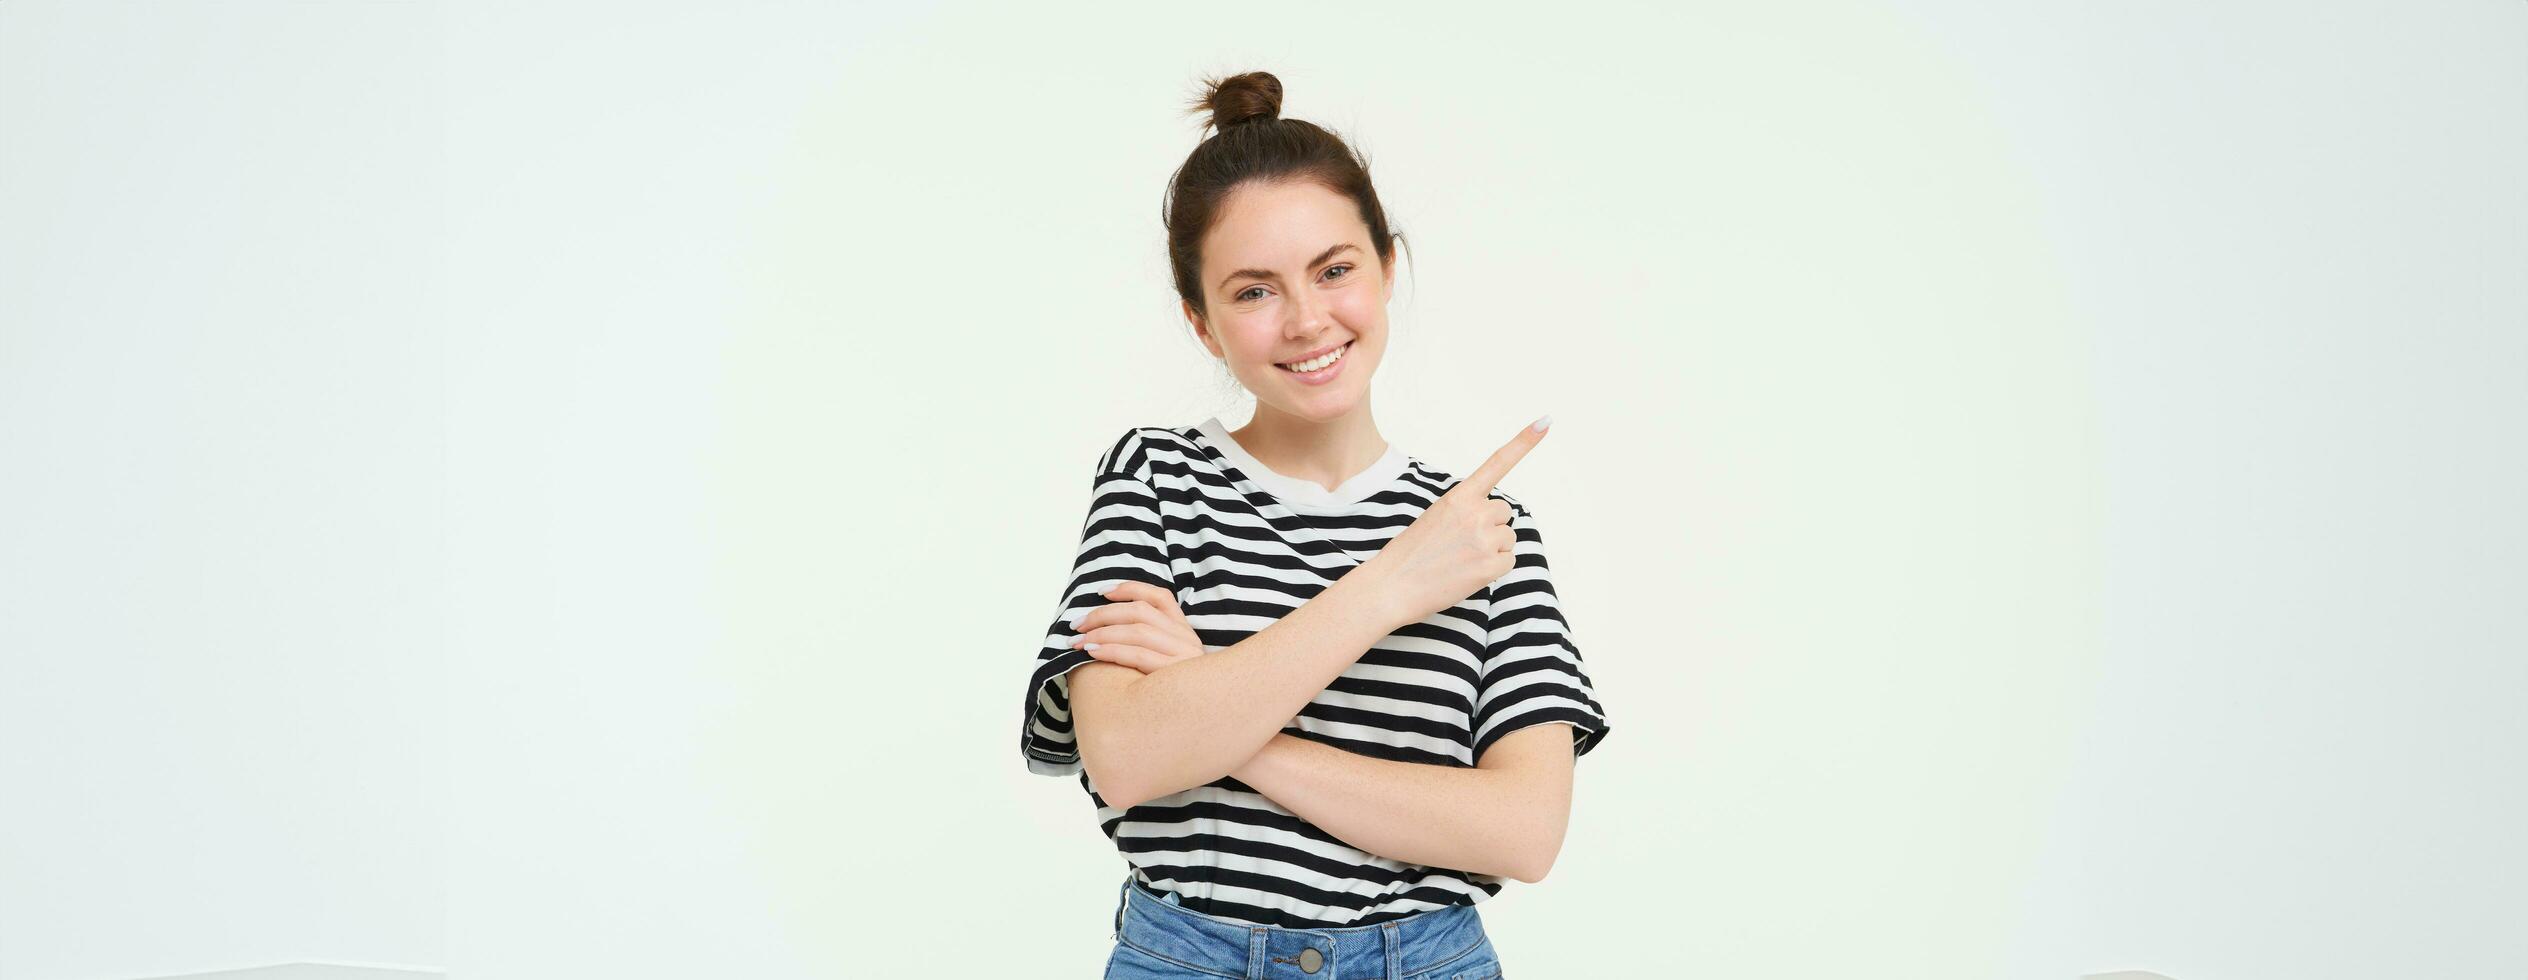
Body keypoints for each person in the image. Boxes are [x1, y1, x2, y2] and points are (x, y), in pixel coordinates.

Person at [1017, 70, 1610, 979]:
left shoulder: (1481, 529)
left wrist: (1215, 719)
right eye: (1254, 291)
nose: (1305, 319)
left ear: (1386, 268)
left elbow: (1524, 834)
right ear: (1202, 323)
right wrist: (1389, 587)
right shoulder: (1157, 478)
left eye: (1334, 270)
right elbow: (1129, 759)